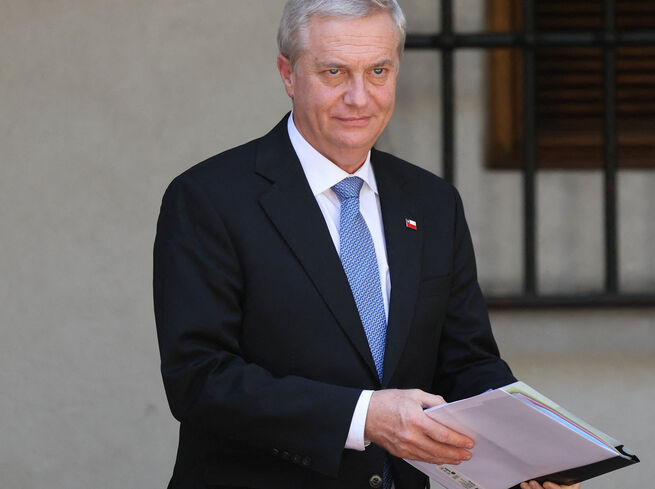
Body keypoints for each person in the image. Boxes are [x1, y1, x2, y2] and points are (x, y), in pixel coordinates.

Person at [153, 1, 578, 488]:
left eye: (378, 71)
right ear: (288, 74)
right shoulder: (208, 198)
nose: (359, 97)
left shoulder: (433, 202)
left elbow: (465, 362)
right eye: (334, 72)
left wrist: (526, 452)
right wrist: (364, 416)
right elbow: (200, 379)